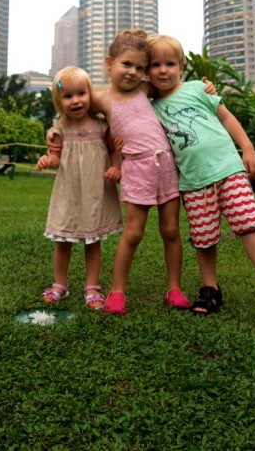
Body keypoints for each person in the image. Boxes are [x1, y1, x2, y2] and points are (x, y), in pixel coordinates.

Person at [147, 33, 255, 323]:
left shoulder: (197, 89)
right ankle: (210, 287)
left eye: (169, 63)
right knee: (204, 238)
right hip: (192, 181)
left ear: (180, 65)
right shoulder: (151, 109)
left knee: (247, 223)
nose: (163, 70)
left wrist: (248, 148)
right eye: (154, 65)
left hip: (228, 169)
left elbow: (227, 118)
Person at [88, 29, 192, 315]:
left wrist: (205, 86)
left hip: (166, 166)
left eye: (139, 67)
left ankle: (174, 288)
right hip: (136, 168)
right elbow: (69, 105)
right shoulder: (100, 99)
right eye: (126, 64)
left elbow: (175, 85)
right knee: (134, 232)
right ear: (109, 62)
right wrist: (55, 133)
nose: (133, 72)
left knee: (171, 230)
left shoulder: (145, 89)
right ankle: (117, 290)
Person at [36, 65, 123, 310]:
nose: (75, 101)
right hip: (68, 192)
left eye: (81, 94)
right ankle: (59, 284)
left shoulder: (101, 126)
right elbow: (55, 157)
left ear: (90, 94)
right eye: (68, 96)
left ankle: (92, 286)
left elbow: (115, 149)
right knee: (62, 240)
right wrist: (47, 160)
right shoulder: (59, 130)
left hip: (95, 192)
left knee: (92, 240)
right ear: (58, 101)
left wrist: (116, 167)